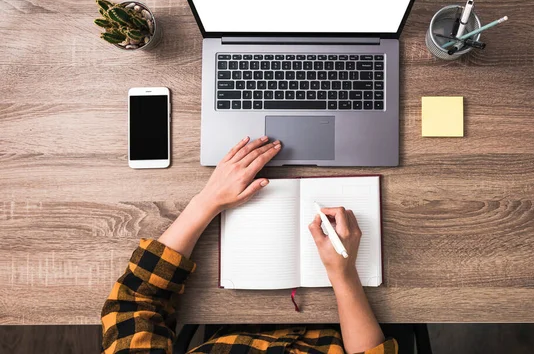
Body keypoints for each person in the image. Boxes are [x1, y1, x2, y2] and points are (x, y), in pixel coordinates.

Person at [101, 136, 397, 354]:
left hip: (230, 330)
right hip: (345, 330)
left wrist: (207, 201)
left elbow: (134, 303)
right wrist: (344, 277)